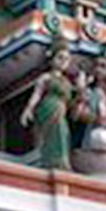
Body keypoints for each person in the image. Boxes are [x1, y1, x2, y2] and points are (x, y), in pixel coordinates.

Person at [20, 38, 78, 170]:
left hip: (61, 110)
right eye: (60, 57)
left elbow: (70, 103)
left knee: (63, 132)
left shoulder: (67, 82)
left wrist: (81, 89)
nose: (63, 62)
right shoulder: (46, 77)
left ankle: (60, 161)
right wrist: (28, 109)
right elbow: (37, 94)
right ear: (51, 59)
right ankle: (49, 159)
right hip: (48, 107)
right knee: (53, 131)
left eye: (67, 59)